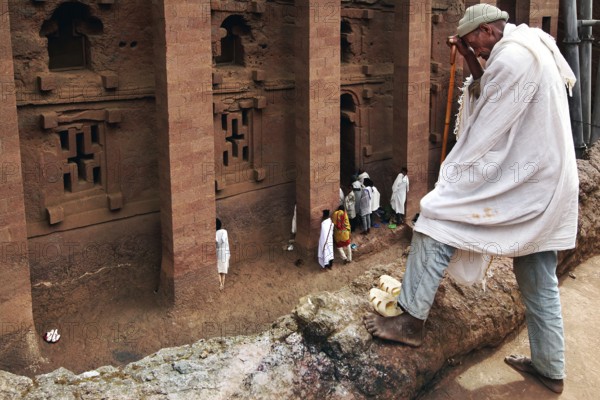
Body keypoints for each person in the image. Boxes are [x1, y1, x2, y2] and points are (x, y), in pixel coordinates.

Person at [364, 4, 578, 395]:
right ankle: (551, 368)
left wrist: (452, 177)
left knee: (435, 218)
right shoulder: (526, 44)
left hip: (529, 180)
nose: (471, 48)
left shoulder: (513, 58)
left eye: (471, 40)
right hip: (550, 180)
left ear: (489, 30)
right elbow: (491, 91)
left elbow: (486, 128)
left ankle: (410, 323)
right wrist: (466, 56)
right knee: (537, 275)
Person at [216, 218, 230, 291]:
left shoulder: (215, 233)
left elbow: (217, 242)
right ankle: (222, 285)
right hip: (225, 252)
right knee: (223, 271)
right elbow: (223, 239)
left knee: (218, 270)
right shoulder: (224, 231)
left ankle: (220, 284)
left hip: (218, 252)